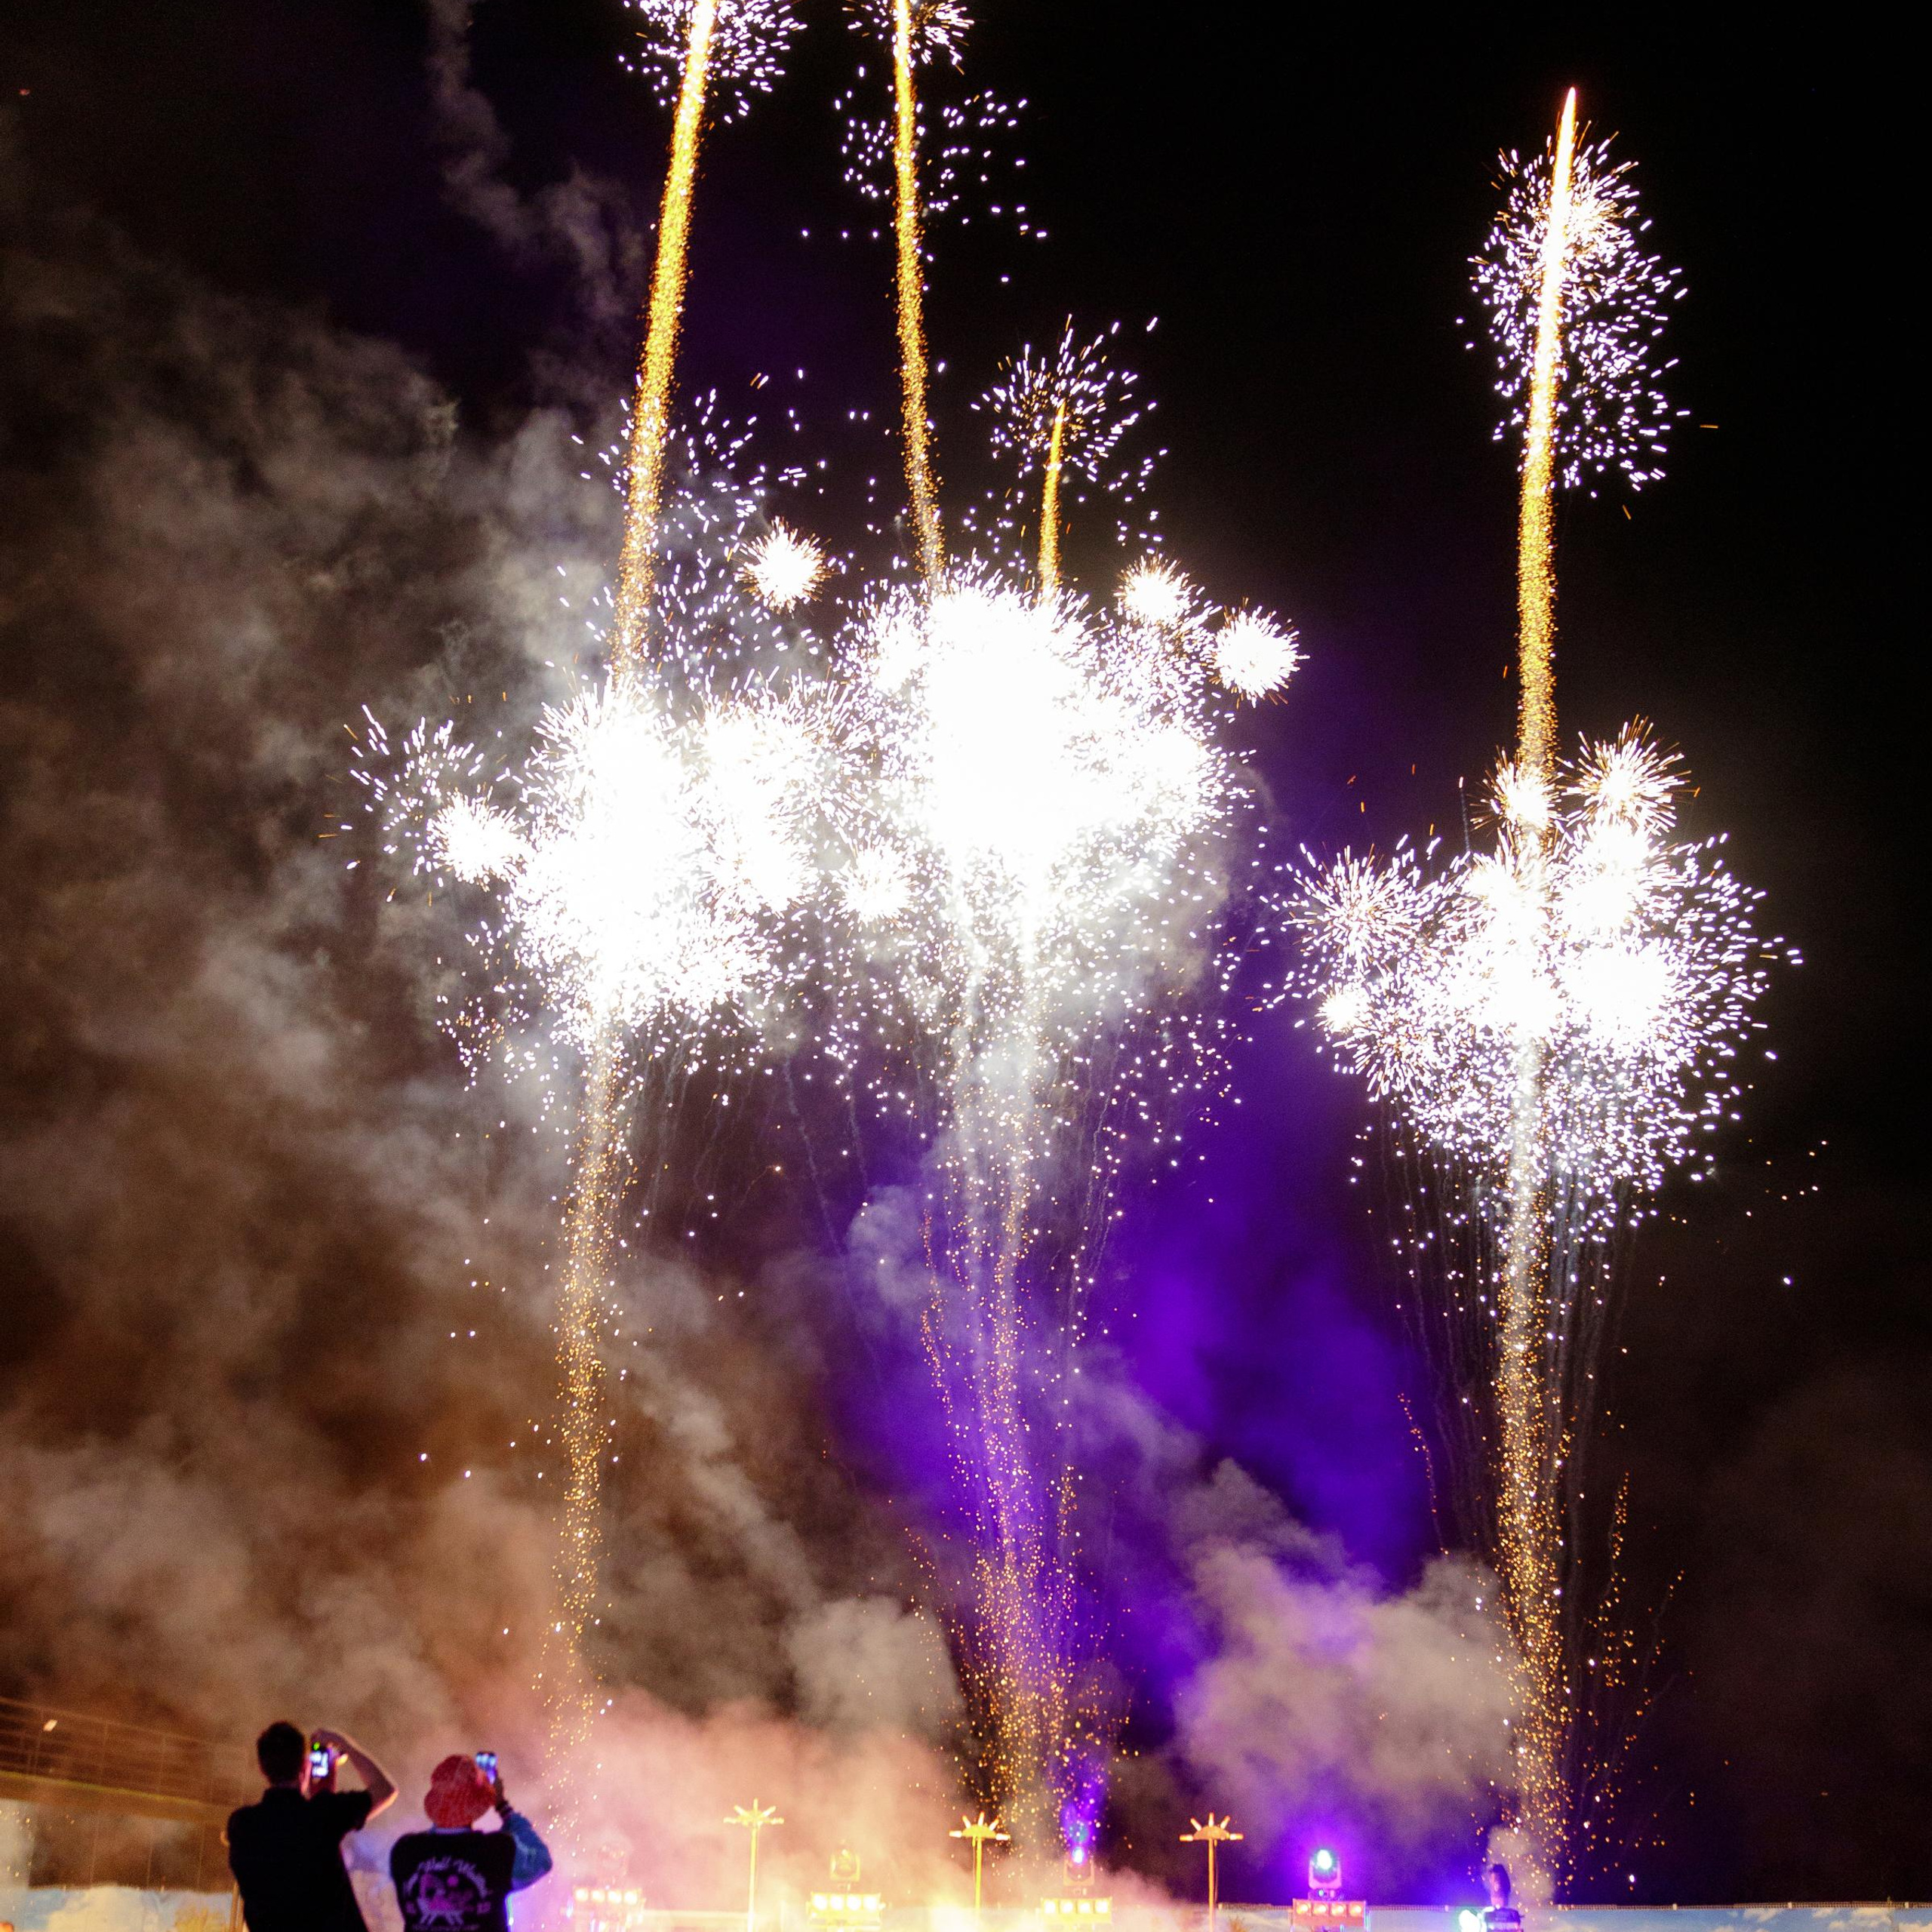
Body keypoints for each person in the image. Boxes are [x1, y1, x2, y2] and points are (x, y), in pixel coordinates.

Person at [227, 1722, 398, 1932]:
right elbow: (384, 1790)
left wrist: (322, 1801)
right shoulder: (323, 1813)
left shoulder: (242, 1824)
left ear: (262, 1768)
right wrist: (346, 1745)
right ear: (305, 1767)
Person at [389, 1754, 552, 1932]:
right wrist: (502, 1805)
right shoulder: (496, 1850)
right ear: (477, 1804)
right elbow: (542, 1861)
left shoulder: (404, 1849)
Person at [1482, 1863, 1524, 1932]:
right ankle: (1517, 1927)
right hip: (1500, 1900)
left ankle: (1517, 1927)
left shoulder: (1498, 1876)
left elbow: (1506, 1887)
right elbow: (1507, 1887)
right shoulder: (1497, 1876)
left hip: (1501, 1900)